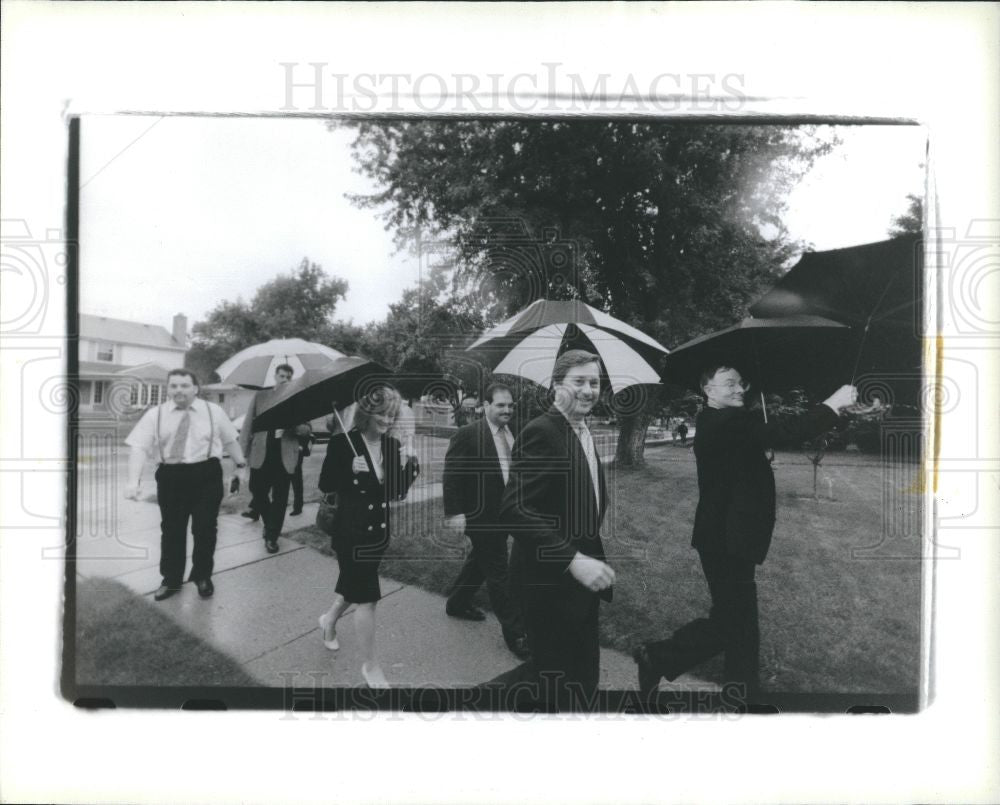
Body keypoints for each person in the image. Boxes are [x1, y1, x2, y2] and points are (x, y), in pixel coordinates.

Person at [632, 365, 858, 701]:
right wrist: (832, 404)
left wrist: (759, 459)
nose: (740, 389)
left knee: (737, 622)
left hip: (730, 535)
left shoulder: (725, 422)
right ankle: (662, 657)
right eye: (729, 384)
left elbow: (744, 454)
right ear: (708, 390)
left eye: (742, 383)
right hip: (725, 539)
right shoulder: (723, 422)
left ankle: (736, 689)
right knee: (735, 623)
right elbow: (787, 431)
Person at [499, 350, 616, 709]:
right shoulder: (542, 432)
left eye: (594, 382)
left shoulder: (581, 429)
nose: (588, 390)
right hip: (549, 582)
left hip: (580, 583)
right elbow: (514, 511)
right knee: (556, 680)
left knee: (576, 676)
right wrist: (573, 560)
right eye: (578, 381)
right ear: (556, 386)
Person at [316, 386, 419, 688]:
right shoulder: (341, 444)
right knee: (368, 598)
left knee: (355, 588)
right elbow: (325, 484)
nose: (387, 420)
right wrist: (348, 469)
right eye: (381, 414)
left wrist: (410, 464)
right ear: (366, 413)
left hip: (377, 533)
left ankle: (329, 621)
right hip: (350, 534)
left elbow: (397, 492)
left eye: (392, 414)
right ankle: (371, 666)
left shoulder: (391, 445)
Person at [124, 369, 247, 600]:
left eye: (184, 385)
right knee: (172, 531)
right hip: (171, 477)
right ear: (168, 389)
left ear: (195, 388)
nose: (178, 390)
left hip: (206, 474)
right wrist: (133, 481)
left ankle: (202, 576)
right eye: (174, 386)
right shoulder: (155, 414)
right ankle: (171, 580)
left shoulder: (214, 411)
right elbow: (138, 447)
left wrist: (240, 466)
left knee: (205, 529)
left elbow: (230, 440)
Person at [443, 383, 531, 661]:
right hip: (482, 515)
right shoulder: (468, 435)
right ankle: (516, 633)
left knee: (481, 561)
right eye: (501, 405)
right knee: (499, 571)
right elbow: (452, 475)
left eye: (510, 405)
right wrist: (455, 512)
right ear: (486, 405)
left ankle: (457, 603)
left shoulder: (513, 432)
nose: (507, 410)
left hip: (509, 511)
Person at [238, 364, 310, 554]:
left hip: (284, 455)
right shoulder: (261, 396)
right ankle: (270, 522)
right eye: (281, 376)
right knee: (256, 490)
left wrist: (293, 426)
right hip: (261, 452)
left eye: (288, 377)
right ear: (275, 376)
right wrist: (241, 455)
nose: (284, 379)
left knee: (280, 498)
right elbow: (247, 426)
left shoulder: (298, 400)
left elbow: (307, 429)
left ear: (291, 379)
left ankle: (271, 536)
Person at [288, 423, 314, 516]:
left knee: (296, 482)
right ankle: (297, 506)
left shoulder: (303, 425)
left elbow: (305, 433)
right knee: (296, 482)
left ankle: (297, 506)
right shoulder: (305, 424)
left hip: (295, 454)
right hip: (292, 453)